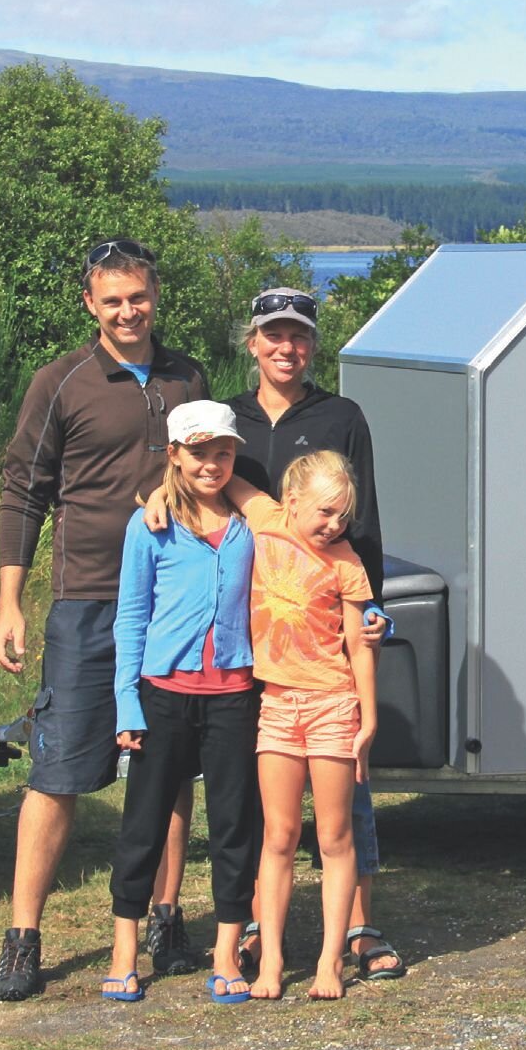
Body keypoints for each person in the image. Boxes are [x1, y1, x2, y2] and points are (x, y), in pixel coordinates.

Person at [148, 287, 406, 981]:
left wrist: (371, 607)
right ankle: (262, 928)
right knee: (264, 808)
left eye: (298, 335)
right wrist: (161, 491)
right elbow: (204, 477)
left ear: (313, 344)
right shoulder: (228, 417)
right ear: (253, 342)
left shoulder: (341, 416)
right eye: (273, 334)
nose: (286, 347)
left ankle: (358, 927)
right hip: (251, 641)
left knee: (346, 803)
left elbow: (363, 522)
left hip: (329, 633)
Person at [0, 238, 208, 1002]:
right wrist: (10, 601)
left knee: (169, 766)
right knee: (59, 771)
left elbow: (209, 475)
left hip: (174, 602)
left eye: (137, 296)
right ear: (89, 303)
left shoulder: (187, 378)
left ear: (155, 294)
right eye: (111, 300)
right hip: (87, 600)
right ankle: (22, 936)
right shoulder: (61, 381)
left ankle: (167, 918)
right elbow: (23, 489)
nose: (126, 311)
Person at [104, 401, 259, 1004]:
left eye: (223, 452)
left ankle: (225, 951)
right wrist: (127, 702)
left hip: (234, 696)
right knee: (143, 824)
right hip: (164, 694)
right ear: (173, 454)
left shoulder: (249, 524)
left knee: (233, 826)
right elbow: (131, 616)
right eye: (198, 452)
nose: (212, 464)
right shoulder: (149, 525)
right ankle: (124, 951)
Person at [228, 451, 377, 1000]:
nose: (335, 525)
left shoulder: (347, 562)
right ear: (291, 502)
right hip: (276, 706)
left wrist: (368, 717)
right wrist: (156, 496)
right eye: (325, 512)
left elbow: (359, 645)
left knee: (335, 837)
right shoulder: (265, 518)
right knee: (279, 835)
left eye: (344, 515)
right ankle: (271, 959)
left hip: (333, 705)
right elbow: (220, 478)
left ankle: (329, 962)